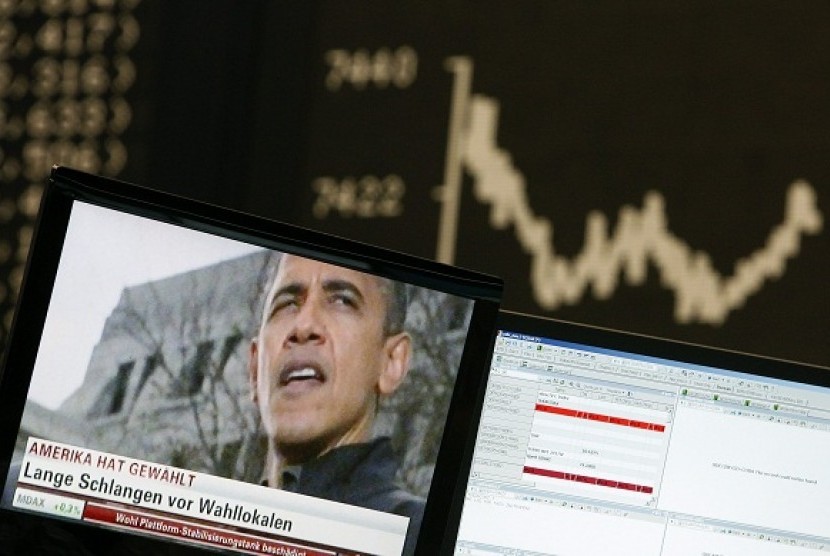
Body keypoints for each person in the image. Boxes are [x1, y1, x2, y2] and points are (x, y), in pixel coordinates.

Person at [248, 253, 424, 554]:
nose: (304, 326)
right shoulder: (203, 530)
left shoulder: (421, 538)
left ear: (392, 361)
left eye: (342, 301)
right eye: (287, 304)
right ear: (253, 369)